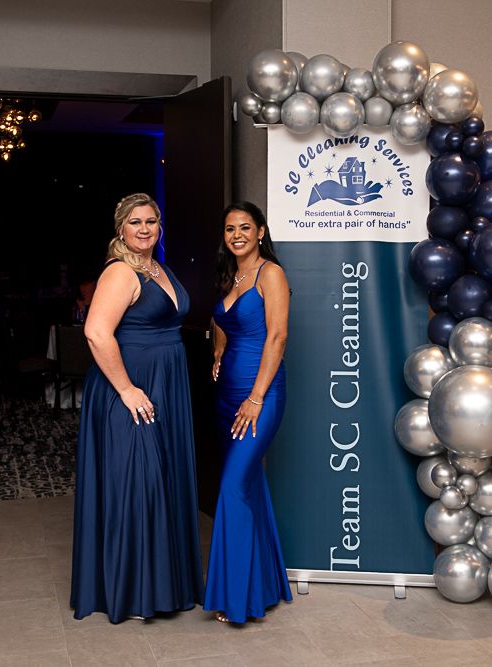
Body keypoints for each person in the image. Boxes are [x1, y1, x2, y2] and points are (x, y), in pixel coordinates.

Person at [71, 193, 204, 623]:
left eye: (151, 221)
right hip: (128, 390)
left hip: (165, 386)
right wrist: (127, 389)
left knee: (160, 481)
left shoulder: (156, 268)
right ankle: (131, 591)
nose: (144, 228)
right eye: (135, 222)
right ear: (120, 229)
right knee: (137, 483)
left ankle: (164, 585)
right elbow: (95, 332)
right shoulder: (120, 272)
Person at [204, 201, 293, 624]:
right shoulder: (232, 275)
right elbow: (221, 318)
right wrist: (219, 348)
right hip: (227, 396)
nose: (236, 234)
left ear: (260, 231)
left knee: (233, 488)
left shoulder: (270, 274)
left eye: (244, 227)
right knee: (250, 487)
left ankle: (235, 598)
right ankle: (265, 587)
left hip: (260, 396)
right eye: (228, 229)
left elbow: (276, 337)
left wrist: (256, 397)